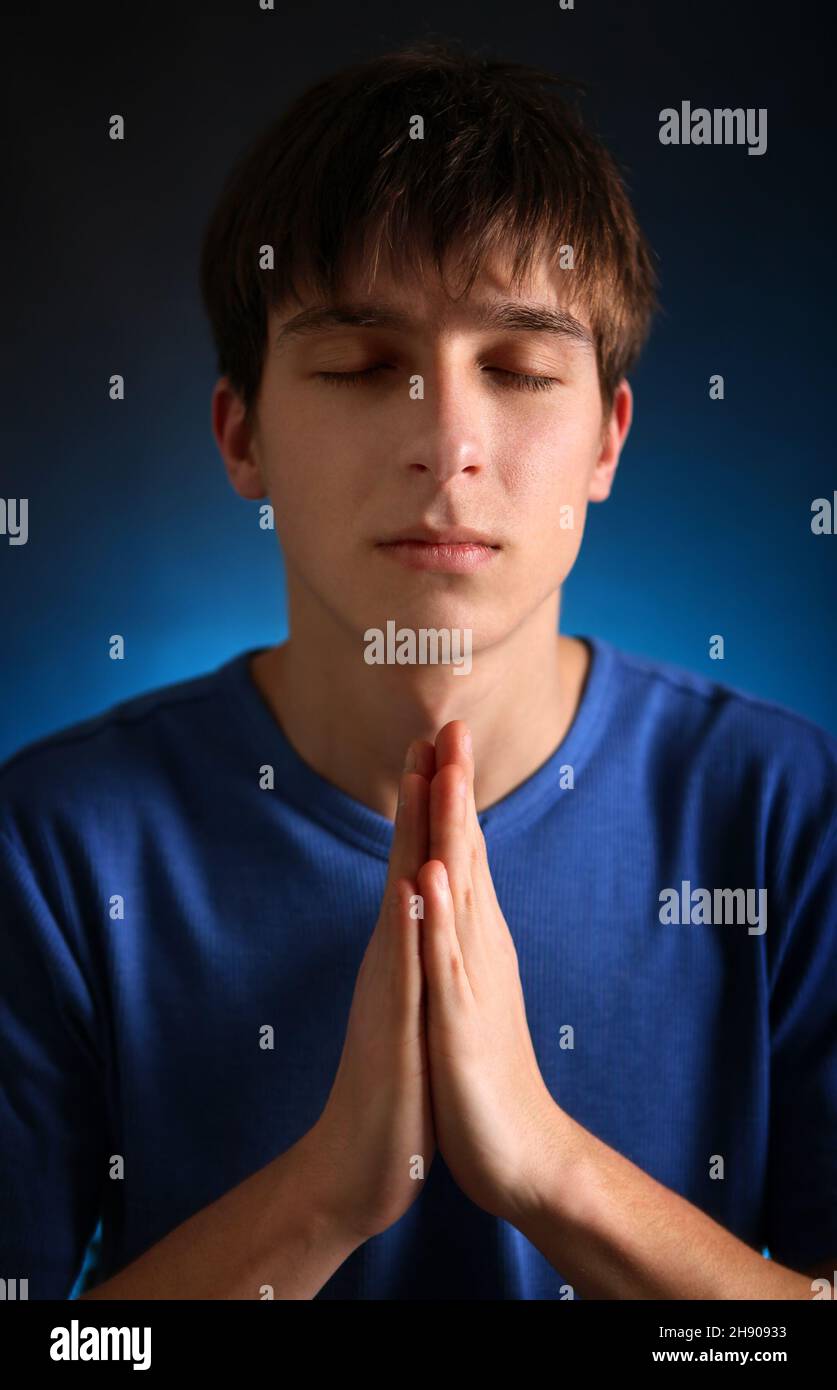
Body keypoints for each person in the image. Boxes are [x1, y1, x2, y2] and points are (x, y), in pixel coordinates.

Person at [1, 38, 835, 1302]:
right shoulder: (58, 847)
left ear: (607, 438)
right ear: (244, 436)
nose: (447, 444)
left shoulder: (782, 811)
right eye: (357, 364)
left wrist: (549, 1169)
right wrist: (328, 1192)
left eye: (517, 368)